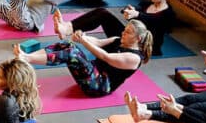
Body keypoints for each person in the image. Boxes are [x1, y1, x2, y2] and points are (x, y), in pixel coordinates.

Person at [16, 19, 152, 97]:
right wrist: (82, 36)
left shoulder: (134, 58)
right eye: (124, 30)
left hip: (99, 86)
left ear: (138, 39)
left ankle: (26, 59)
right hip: (93, 72)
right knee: (67, 44)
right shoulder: (118, 40)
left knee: (72, 54)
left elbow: (105, 56)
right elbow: (98, 42)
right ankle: (28, 56)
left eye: (128, 32)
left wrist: (83, 41)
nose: (123, 33)